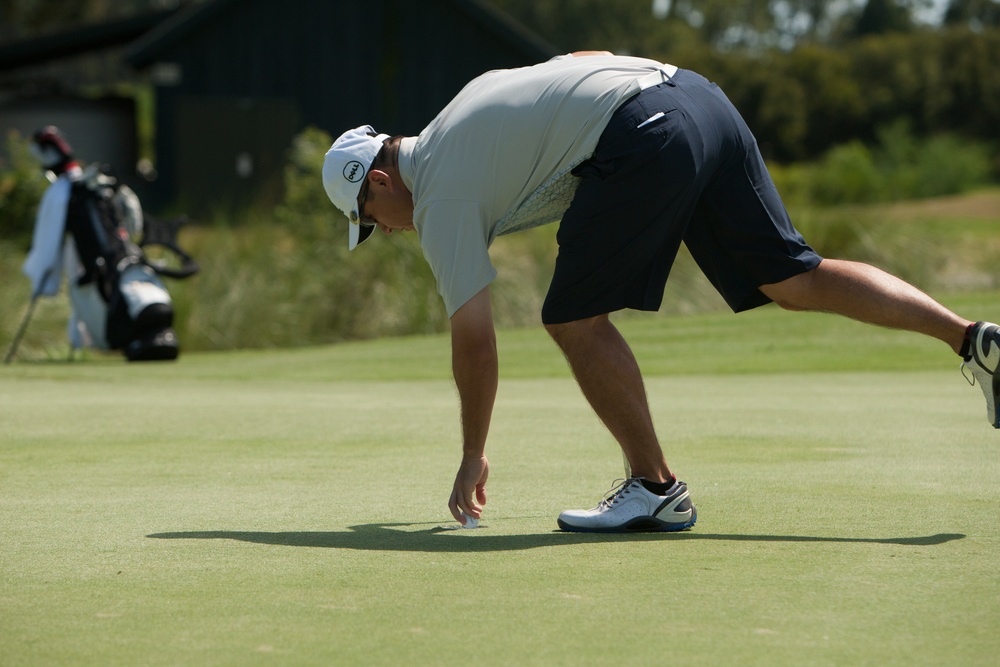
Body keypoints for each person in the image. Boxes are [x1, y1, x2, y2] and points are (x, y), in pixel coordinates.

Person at [322, 51, 1000, 533]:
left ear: (379, 183)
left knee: (571, 317)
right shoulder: (460, 110)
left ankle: (655, 487)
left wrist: (472, 449)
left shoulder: (437, 192)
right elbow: (579, 63)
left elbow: (474, 337)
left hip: (647, 129)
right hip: (699, 98)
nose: (386, 230)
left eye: (371, 224)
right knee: (794, 277)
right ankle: (972, 339)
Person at [22, 126, 180, 361]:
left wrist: (40, 282)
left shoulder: (64, 192)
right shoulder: (91, 188)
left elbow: (46, 250)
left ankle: (84, 346)